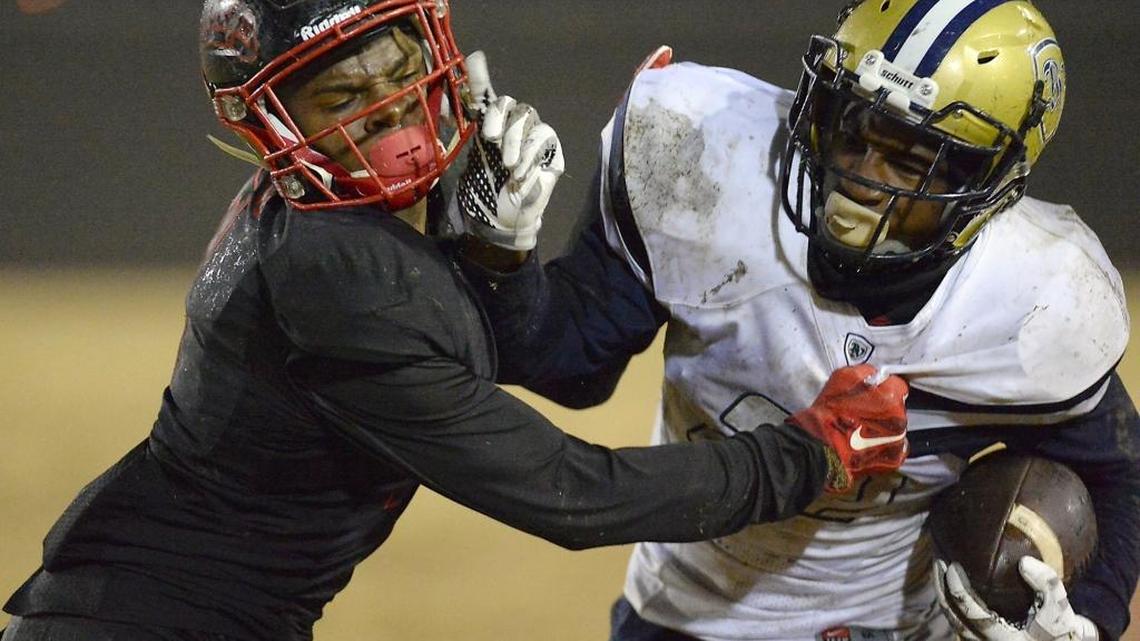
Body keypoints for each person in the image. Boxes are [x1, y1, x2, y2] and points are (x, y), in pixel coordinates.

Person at [0, 1, 916, 640]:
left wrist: (494, 259)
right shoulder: (344, 282)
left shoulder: (312, 215)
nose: (389, 111)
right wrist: (804, 457)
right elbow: (574, 493)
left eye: (398, 67)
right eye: (341, 97)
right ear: (272, 122)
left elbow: (550, 363)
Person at [454, 1, 1140, 640]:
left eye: (910, 159)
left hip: (894, 625)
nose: (863, 177)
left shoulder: (1038, 298)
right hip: (684, 614)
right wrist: (501, 260)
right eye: (853, 131)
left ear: (991, 187)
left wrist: (1093, 618)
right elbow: (572, 364)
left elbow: (1121, 473)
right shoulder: (703, 157)